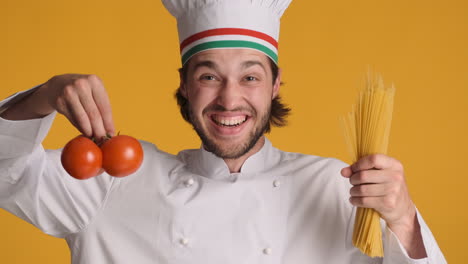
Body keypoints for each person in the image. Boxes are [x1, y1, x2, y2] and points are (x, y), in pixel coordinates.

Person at [0, 0, 446, 263]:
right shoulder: (113, 181)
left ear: (275, 86)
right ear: (185, 85)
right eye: (209, 76)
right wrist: (44, 95)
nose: (229, 100)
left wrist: (404, 221)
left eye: (250, 77)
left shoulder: (337, 189)